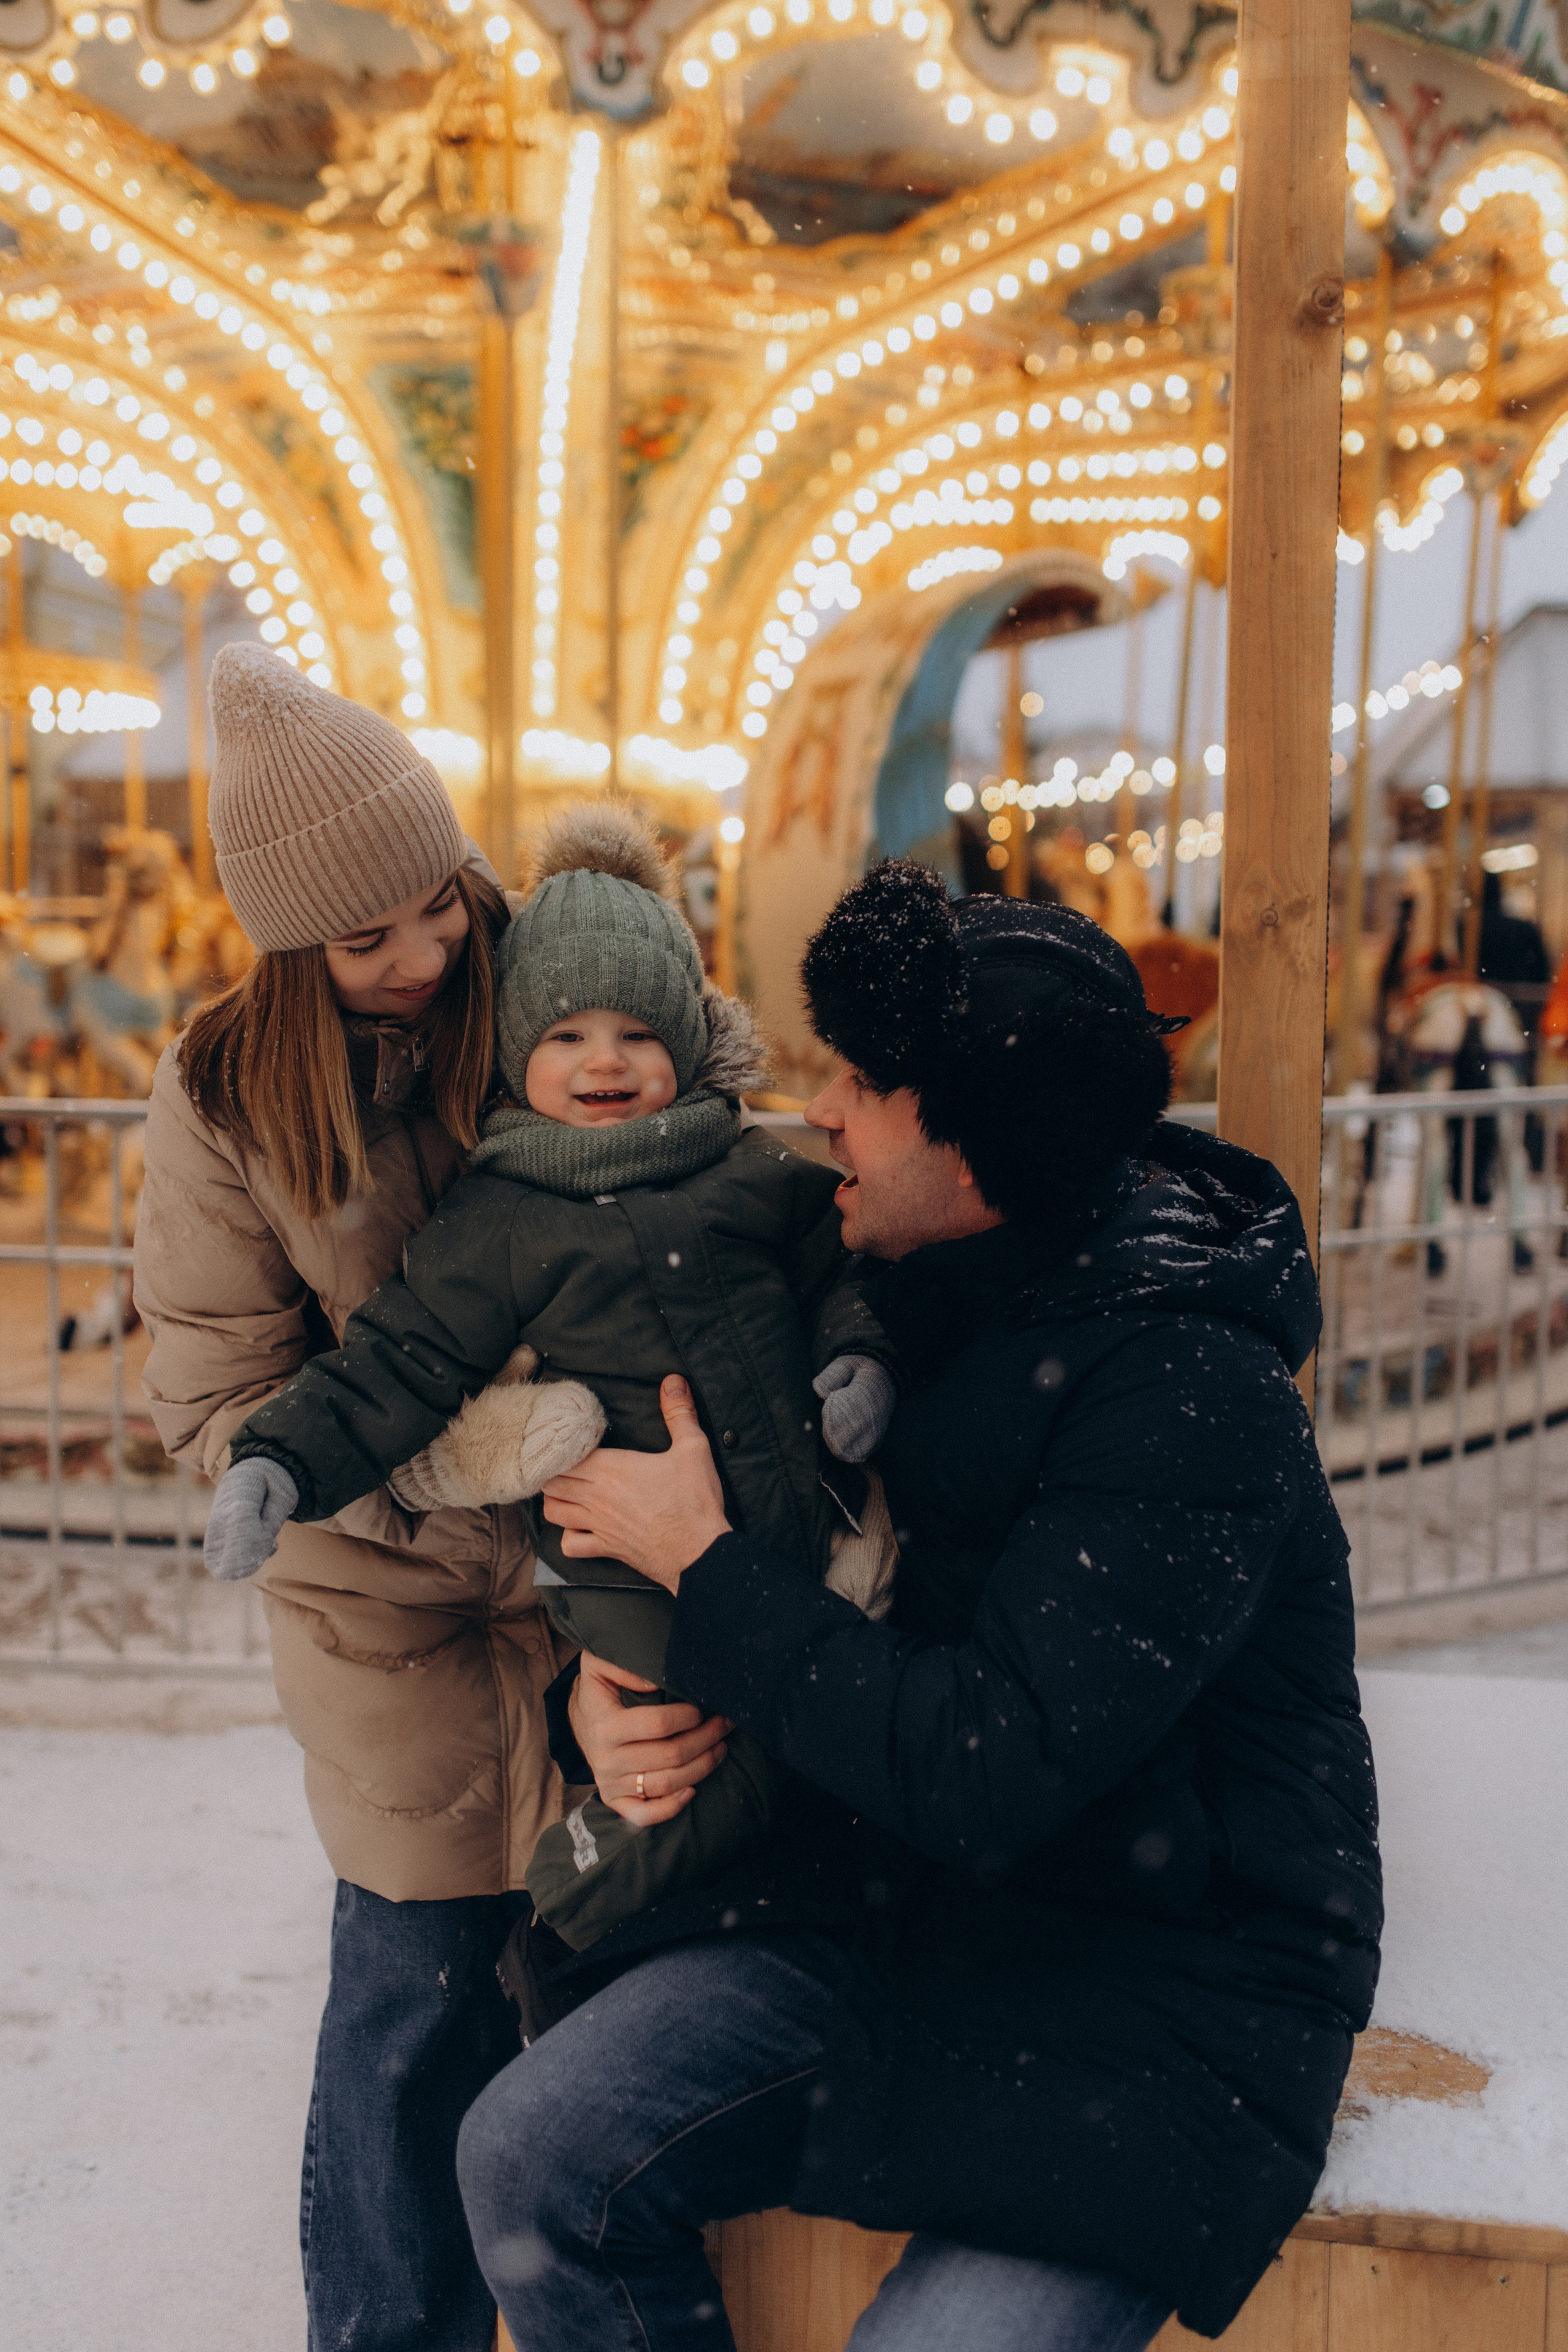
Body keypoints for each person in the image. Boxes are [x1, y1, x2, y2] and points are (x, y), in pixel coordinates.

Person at [451, 865, 1383, 2351]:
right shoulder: (903, 1281)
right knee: (529, 2156)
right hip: (899, 1894)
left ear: (976, 1148)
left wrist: (707, 1575)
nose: (822, 1110)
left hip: (1157, 1970)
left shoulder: (1183, 1387)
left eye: (864, 1084)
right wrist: (613, 1694)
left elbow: (987, 1763)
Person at [202, 804, 900, 1951]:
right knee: (695, 1768)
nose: (605, 1061)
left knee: (813, 1742)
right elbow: (404, 1358)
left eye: (636, 1029)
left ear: (684, 1032)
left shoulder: (748, 1167)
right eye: (567, 1035)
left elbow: (837, 1267)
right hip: (625, 1563)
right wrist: (280, 1458)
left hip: (798, 1523)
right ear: (523, 1050)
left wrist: (856, 1356)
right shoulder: (502, 1217)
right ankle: (568, 1931)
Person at [133, 644, 568, 2352]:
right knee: (415, 2004)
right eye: (369, 937)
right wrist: (458, 1502)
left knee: (613, 2012)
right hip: (388, 1618)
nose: (421, 958)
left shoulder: (544, 983)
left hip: (610, 1585)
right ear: (292, 942)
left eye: (438, 909)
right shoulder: (227, 1093)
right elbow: (222, 1396)